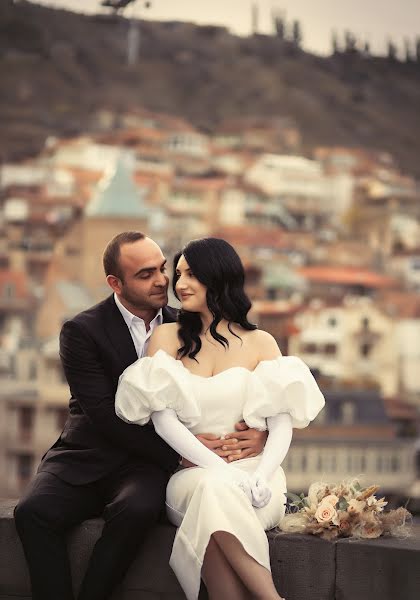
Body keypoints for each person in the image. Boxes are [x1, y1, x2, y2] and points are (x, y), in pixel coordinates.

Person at [14, 232, 266, 600]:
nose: (164, 280)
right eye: (146, 274)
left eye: (163, 269)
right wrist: (180, 453)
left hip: (144, 466)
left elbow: (237, 384)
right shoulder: (82, 330)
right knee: (32, 512)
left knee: (138, 509)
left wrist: (259, 434)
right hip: (86, 454)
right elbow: (102, 413)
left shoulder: (190, 324)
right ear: (115, 283)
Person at [115, 237, 325, 600]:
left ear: (219, 277)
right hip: (193, 476)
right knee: (212, 490)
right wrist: (223, 470)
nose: (179, 284)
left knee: (210, 513)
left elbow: (280, 424)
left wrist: (260, 475)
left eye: (192, 274)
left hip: (259, 479)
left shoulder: (261, 342)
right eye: (178, 274)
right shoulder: (166, 337)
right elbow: (164, 423)